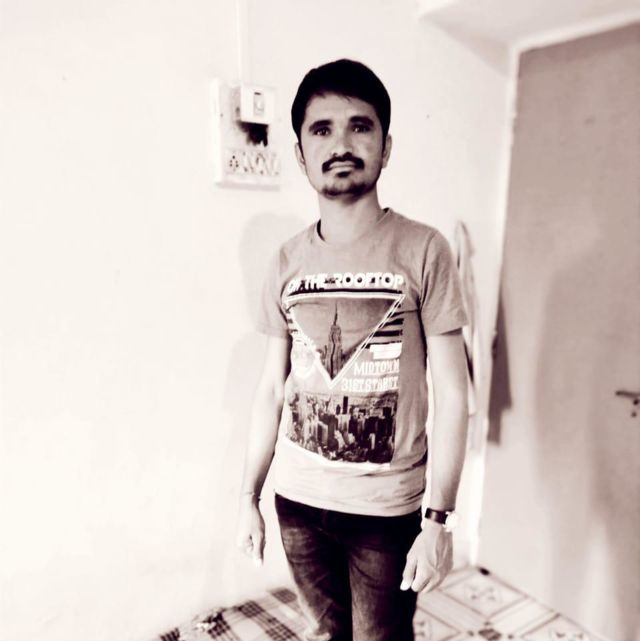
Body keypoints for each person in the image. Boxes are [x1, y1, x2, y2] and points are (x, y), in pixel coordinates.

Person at [236, 59, 469, 641]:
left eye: (359, 126)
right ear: (300, 154)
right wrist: (248, 496)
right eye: (322, 129)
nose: (341, 144)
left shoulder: (424, 249)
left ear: (386, 146)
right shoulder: (286, 261)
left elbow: (454, 394)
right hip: (297, 503)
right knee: (326, 633)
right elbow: (271, 388)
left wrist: (439, 520)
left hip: (386, 512)